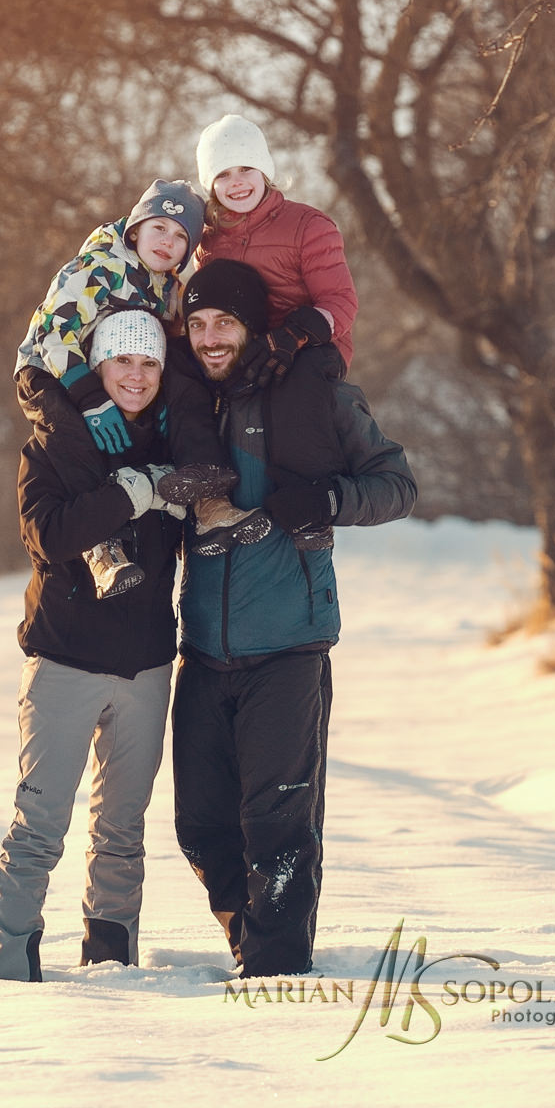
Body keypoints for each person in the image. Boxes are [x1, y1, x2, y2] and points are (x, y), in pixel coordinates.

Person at [169, 259, 417, 979]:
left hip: (289, 648)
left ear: (254, 328)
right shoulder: (185, 407)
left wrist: (329, 500)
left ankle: (275, 973)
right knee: (201, 826)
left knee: (279, 826)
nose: (212, 338)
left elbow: (396, 485)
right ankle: (252, 942)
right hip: (203, 652)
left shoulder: (319, 397)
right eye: (200, 324)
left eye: (226, 323)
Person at [0, 310, 186, 982]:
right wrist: (134, 495)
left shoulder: (173, 443)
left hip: (145, 665)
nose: (136, 375)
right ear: (98, 368)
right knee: (39, 827)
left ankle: (111, 958)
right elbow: (48, 535)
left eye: (149, 363)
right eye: (123, 362)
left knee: (123, 829)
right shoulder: (53, 446)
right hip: (63, 661)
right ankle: (8, 960)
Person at [16, 178, 268, 601]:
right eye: (159, 228)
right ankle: (101, 546)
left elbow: (172, 344)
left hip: (117, 371)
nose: (168, 241)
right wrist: (89, 397)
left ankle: (206, 492)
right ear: (136, 229)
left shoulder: (169, 288)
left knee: (183, 375)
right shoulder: (97, 267)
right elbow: (54, 333)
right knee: (73, 434)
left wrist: (175, 398)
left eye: (180, 237)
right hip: (51, 371)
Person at [193, 112, 358, 381]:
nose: (237, 181)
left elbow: (340, 300)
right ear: (211, 186)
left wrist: (294, 335)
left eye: (246, 169)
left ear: (264, 172)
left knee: (290, 397)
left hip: (311, 349)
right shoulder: (209, 240)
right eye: (223, 174)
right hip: (243, 350)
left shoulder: (308, 226)